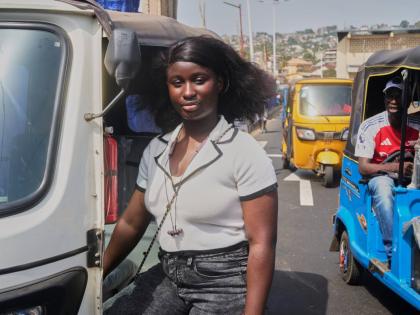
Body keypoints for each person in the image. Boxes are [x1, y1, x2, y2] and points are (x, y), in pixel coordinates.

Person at [103, 36, 278, 315]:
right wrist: (96, 276)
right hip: (169, 274)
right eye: (177, 82)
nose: (187, 92)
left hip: (226, 281)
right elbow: (130, 224)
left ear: (219, 83)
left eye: (198, 79)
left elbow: (262, 243)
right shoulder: (156, 151)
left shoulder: (244, 151)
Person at [355, 76, 419, 267]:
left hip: (412, 175)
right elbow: (363, 167)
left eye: (398, 95)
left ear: (407, 99)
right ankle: (394, 253)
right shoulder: (371, 126)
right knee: (384, 191)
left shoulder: (416, 125)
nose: (393, 100)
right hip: (381, 177)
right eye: (389, 95)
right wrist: (392, 167)